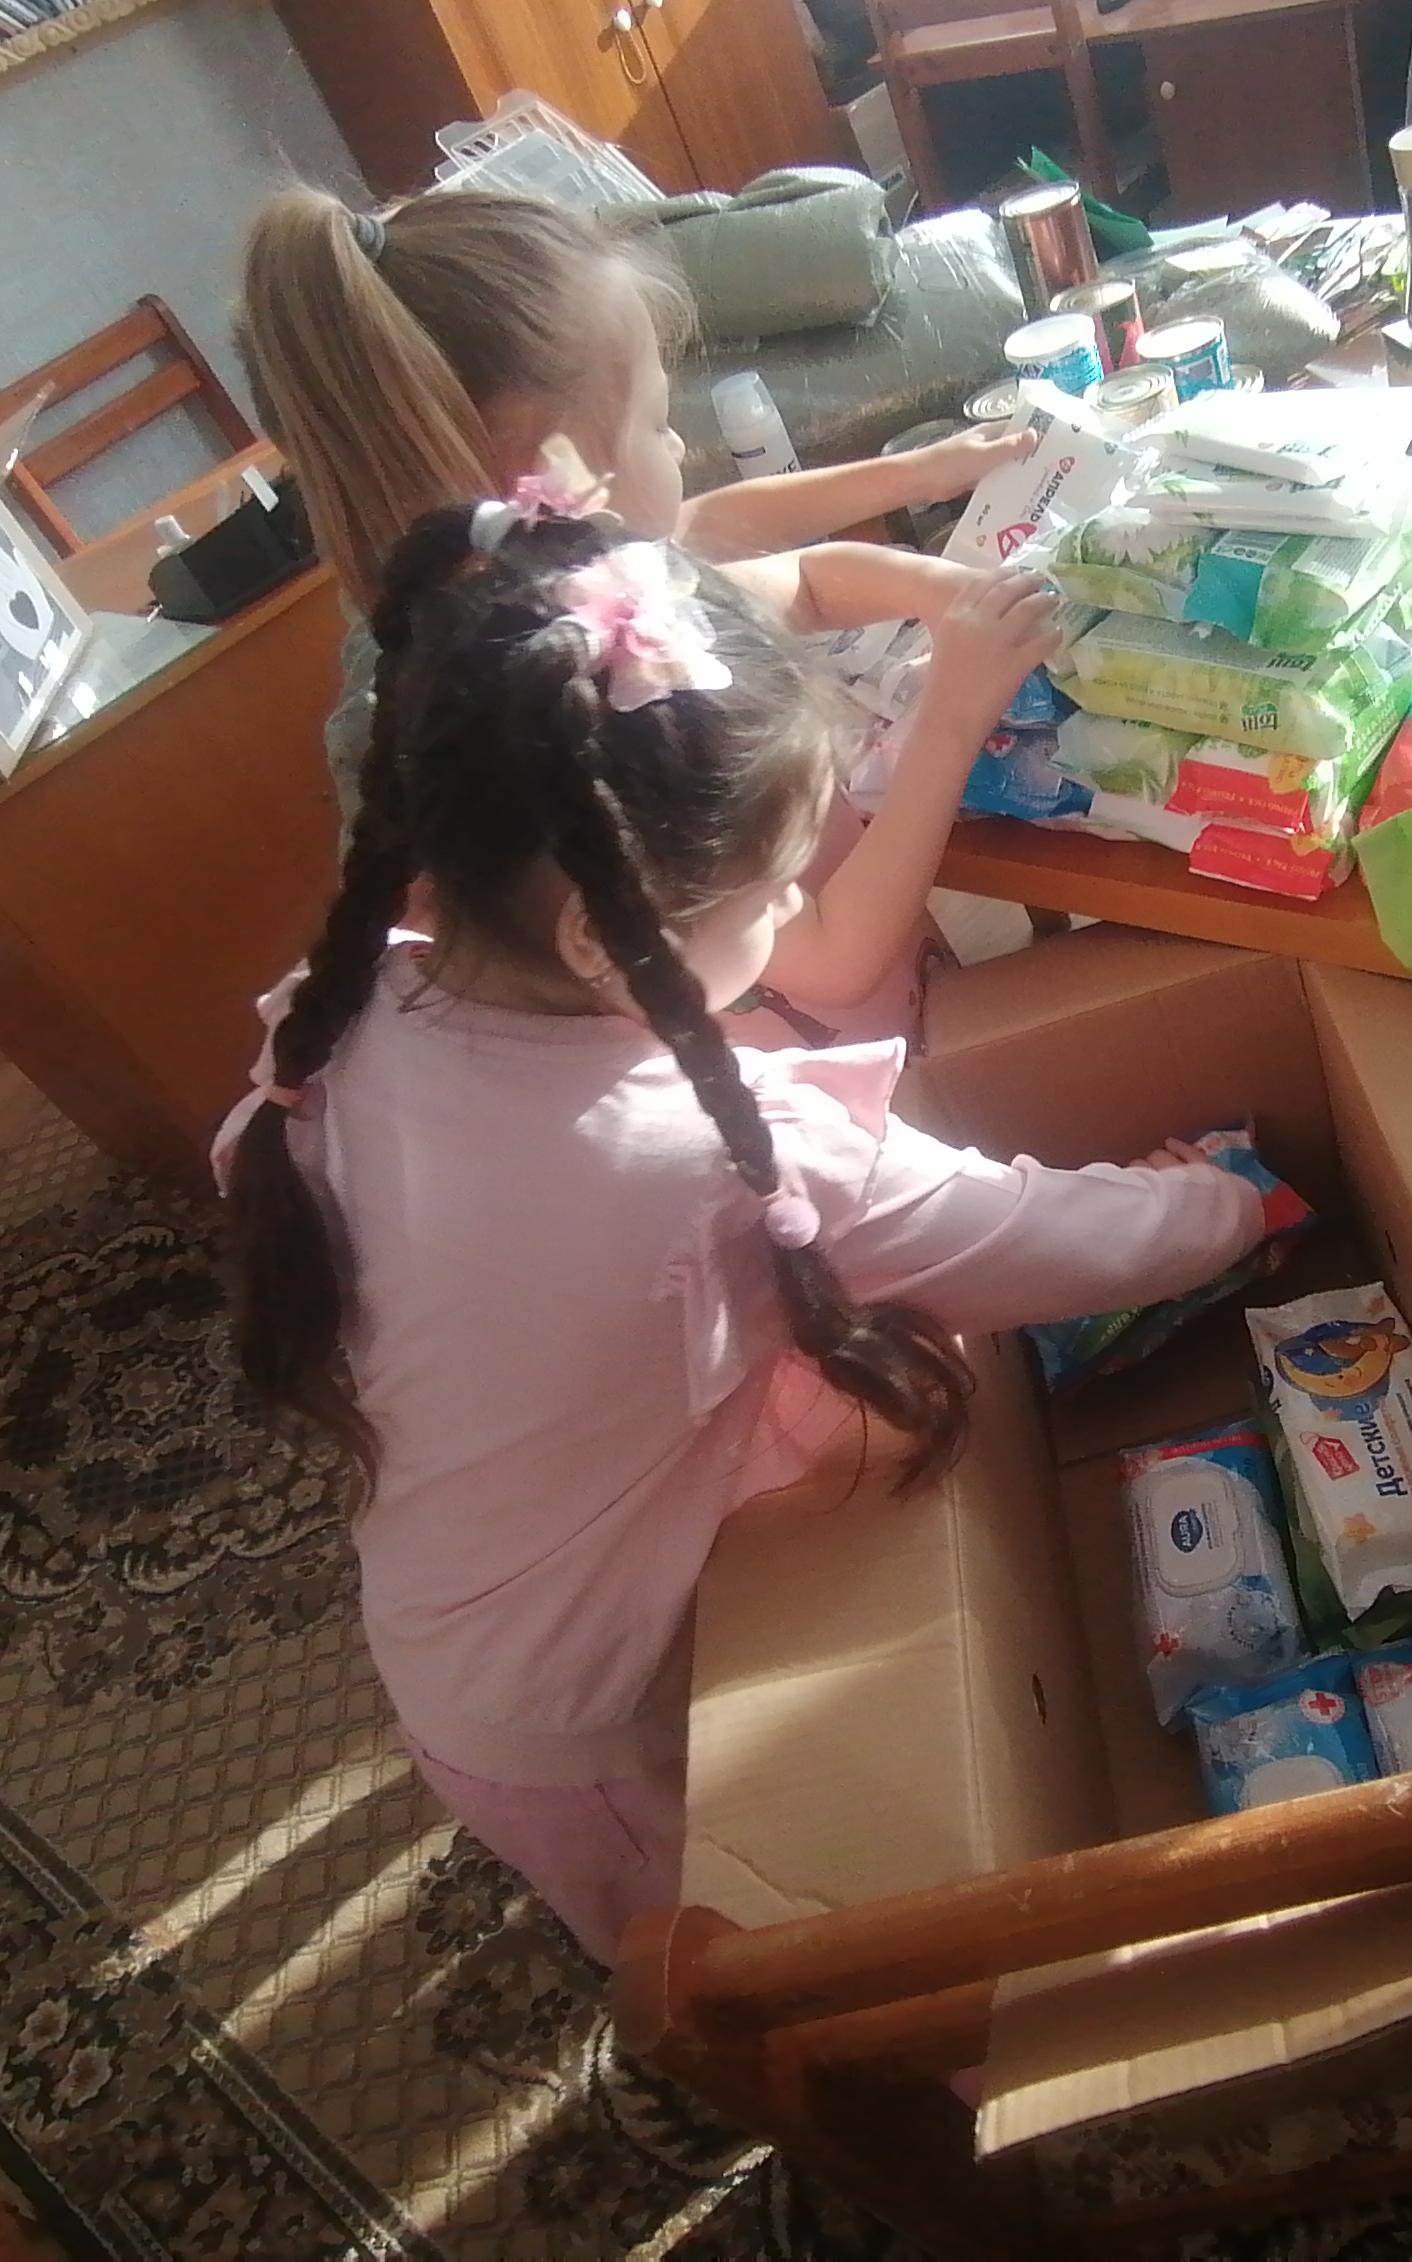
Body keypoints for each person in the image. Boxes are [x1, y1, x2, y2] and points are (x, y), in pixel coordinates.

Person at [219, 495, 1264, 1967]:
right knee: (745, 1956)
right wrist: (1226, 1200)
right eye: (775, 896)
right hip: (568, 1725)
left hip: (455, 1608)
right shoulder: (723, 1156)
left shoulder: (353, 1008)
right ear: (604, 938)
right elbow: (1044, 1237)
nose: (786, 927)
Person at [241, 188, 1032, 1049]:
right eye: (657, 424)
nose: (680, 447)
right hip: (824, 1076)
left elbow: (777, 565)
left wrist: (924, 519)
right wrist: (955, 710)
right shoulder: (579, 726)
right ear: (553, 477)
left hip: (884, 1000)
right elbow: (838, 957)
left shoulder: (550, 593)